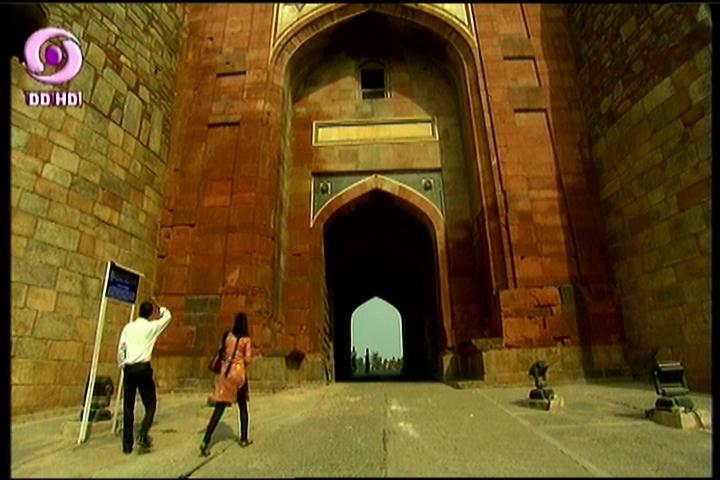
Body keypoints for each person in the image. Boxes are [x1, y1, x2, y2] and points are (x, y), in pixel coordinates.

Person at [117, 298, 172, 454]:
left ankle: (127, 445)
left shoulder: (128, 328)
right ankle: (142, 433)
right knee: (150, 404)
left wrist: (122, 365)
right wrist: (159, 306)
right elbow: (167, 317)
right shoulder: (151, 327)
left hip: (129, 368)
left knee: (128, 406)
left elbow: (121, 348)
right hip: (143, 368)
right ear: (150, 314)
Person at [200, 312, 253, 456]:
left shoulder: (227, 336)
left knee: (220, 408)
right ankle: (244, 438)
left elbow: (222, 352)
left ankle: (206, 440)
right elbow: (248, 359)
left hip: (226, 374)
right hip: (239, 376)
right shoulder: (246, 340)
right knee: (242, 407)